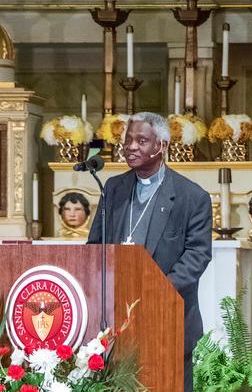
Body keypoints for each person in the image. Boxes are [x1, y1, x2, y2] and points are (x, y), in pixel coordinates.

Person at [88, 112, 212, 391]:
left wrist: (158, 291)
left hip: (166, 316)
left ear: (162, 145)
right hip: (117, 318)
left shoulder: (192, 197)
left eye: (141, 140)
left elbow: (197, 255)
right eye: (128, 140)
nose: (131, 147)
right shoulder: (113, 187)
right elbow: (95, 244)